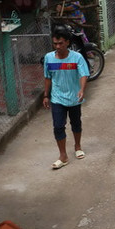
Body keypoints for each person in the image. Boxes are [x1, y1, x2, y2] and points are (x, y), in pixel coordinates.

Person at [43, 26, 90, 170]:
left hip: (74, 97)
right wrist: (46, 95)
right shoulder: (48, 58)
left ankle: (77, 146)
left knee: (76, 123)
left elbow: (84, 74)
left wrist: (82, 90)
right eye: (55, 44)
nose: (58, 46)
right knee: (58, 126)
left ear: (67, 42)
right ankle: (63, 156)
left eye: (61, 43)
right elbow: (47, 77)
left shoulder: (77, 57)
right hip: (57, 98)